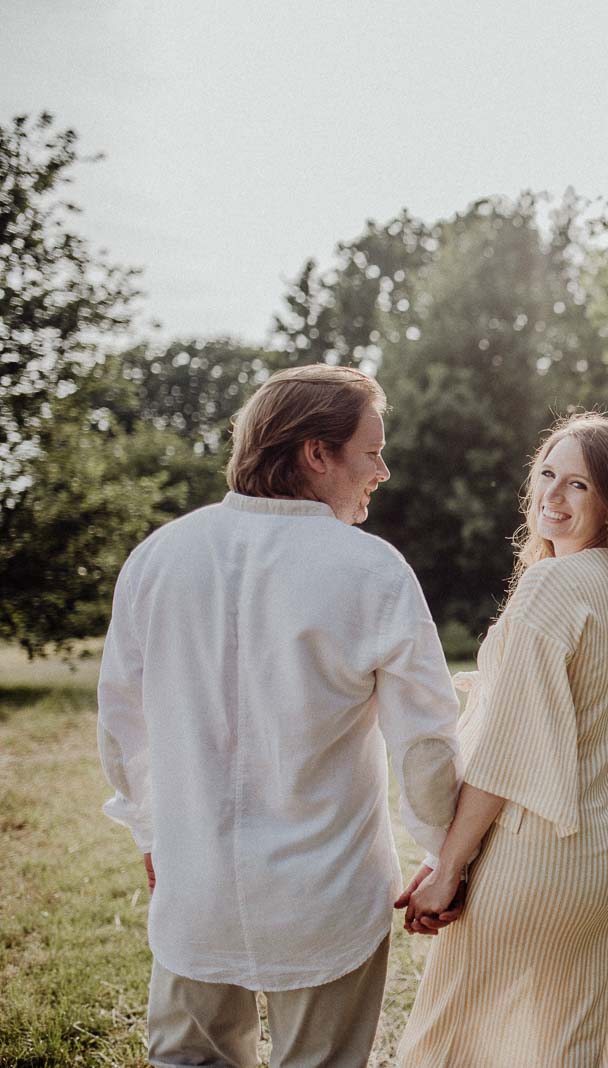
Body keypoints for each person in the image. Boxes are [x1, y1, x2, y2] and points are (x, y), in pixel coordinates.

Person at [97, 364, 462, 1068]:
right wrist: (442, 856)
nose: (381, 470)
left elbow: (122, 726)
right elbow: (425, 748)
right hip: (326, 901)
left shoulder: (157, 557)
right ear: (316, 453)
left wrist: (150, 831)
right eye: (371, 450)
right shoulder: (373, 571)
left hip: (193, 886)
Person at [394, 412, 608, 1068]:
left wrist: (448, 868)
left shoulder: (553, 586)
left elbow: (505, 755)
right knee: (567, 1053)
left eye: (578, 486)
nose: (551, 497)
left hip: (541, 861)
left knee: (450, 1047)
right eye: (547, 475)